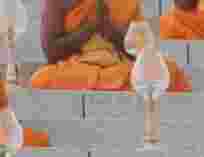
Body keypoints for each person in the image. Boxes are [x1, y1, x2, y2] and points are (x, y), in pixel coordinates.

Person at [33, 0, 191, 92]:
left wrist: (111, 30)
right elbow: (51, 52)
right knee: (42, 79)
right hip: (79, 67)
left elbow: (140, 50)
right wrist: (91, 27)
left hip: (118, 66)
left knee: (171, 73)